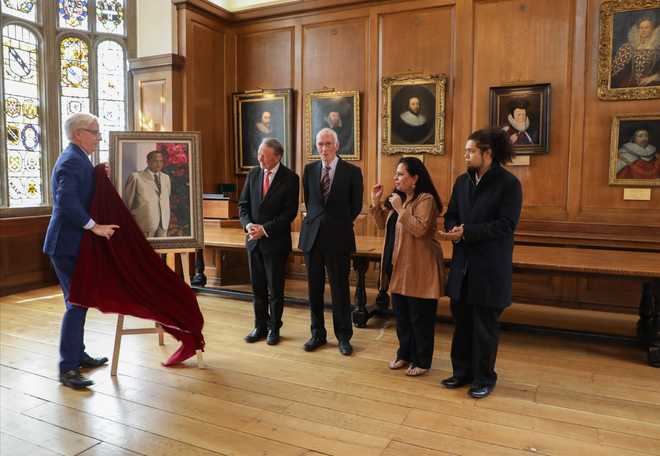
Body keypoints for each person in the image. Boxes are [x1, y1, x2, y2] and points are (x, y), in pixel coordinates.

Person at [438, 128, 522, 399]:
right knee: (461, 322)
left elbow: (506, 225)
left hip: (490, 267)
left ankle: (484, 378)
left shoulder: (509, 183)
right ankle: (461, 372)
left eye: (471, 150)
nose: (466, 155)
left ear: (488, 153)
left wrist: (468, 233)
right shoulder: (462, 181)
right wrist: (452, 229)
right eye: (466, 150)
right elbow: (451, 214)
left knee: (484, 328)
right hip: (463, 264)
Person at [43, 112, 119, 390]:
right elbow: (66, 203)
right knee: (76, 303)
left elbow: (82, 191)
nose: (99, 136)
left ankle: (78, 355)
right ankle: (68, 369)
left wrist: (98, 172)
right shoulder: (72, 161)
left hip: (71, 243)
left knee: (80, 300)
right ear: (78, 134)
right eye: (95, 131)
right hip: (65, 245)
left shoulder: (79, 159)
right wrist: (94, 226)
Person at [369, 156, 444, 376]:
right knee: (402, 317)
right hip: (399, 266)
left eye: (401, 174)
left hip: (419, 268)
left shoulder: (425, 199)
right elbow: (383, 225)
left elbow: (419, 229)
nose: (396, 177)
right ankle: (405, 354)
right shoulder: (398, 200)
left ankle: (422, 361)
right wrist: (376, 203)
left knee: (420, 318)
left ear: (415, 178)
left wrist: (401, 209)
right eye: (396, 173)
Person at [299, 127, 363, 356]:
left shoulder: (352, 172)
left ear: (337, 146)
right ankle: (317, 334)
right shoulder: (309, 170)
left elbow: (355, 206)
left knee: (340, 290)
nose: (323, 149)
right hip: (312, 238)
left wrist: (336, 224)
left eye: (327, 144)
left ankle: (344, 336)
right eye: (320, 144)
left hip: (339, 238)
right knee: (314, 289)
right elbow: (310, 202)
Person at [239, 138, 300, 345]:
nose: (259, 158)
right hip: (253, 241)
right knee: (257, 288)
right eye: (259, 154)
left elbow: (289, 214)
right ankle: (259, 326)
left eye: (263, 155)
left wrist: (264, 230)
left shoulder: (291, 178)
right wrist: (248, 226)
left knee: (275, 290)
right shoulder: (254, 173)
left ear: (277, 156)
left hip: (275, 242)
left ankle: (275, 327)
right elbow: (243, 206)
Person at [123, 150, 171, 238]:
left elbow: (166, 197)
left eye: (161, 161)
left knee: (161, 251)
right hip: (144, 224)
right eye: (155, 161)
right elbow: (127, 203)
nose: (159, 164)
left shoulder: (166, 178)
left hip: (163, 225)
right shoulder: (136, 177)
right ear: (148, 162)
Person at [611, 14, 660, 88]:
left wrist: (653, 77)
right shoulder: (629, 47)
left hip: (652, 85)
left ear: (653, 29)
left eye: (647, 27)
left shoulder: (658, 48)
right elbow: (615, 70)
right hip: (630, 84)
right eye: (641, 28)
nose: (643, 30)